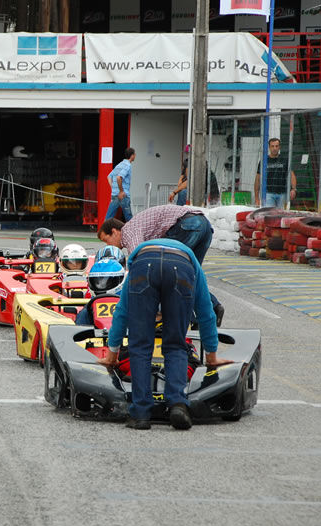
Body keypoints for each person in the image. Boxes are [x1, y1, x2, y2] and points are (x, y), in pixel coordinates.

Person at [95, 239, 233, 430]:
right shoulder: (192, 262)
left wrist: (112, 353)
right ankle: (177, 404)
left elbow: (122, 312)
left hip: (145, 265)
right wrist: (211, 354)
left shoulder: (138, 257)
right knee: (176, 344)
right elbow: (205, 312)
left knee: (140, 345)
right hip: (182, 266)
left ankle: (141, 414)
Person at [97, 204, 224, 324]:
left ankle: (189, 320)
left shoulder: (128, 232)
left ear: (114, 232)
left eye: (106, 240)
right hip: (203, 225)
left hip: (188, 226)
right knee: (191, 276)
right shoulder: (138, 225)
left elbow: (138, 263)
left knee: (173, 273)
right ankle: (214, 307)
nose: (108, 245)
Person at [254, 138, 297, 208]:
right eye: (272, 146)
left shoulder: (285, 160)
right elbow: (257, 179)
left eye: (276, 146)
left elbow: (292, 175)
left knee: (281, 214)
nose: (274, 148)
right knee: (269, 215)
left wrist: (294, 189)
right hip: (268, 194)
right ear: (269, 147)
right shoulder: (264, 161)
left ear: (279, 147)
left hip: (282, 194)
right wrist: (256, 198)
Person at [104, 147, 135, 222]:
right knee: (129, 218)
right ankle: (133, 232)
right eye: (134, 154)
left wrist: (114, 188)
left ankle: (103, 232)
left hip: (114, 194)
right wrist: (121, 191)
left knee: (109, 217)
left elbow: (109, 177)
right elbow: (119, 177)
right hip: (123, 196)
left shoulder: (119, 165)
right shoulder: (128, 165)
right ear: (132, 155)